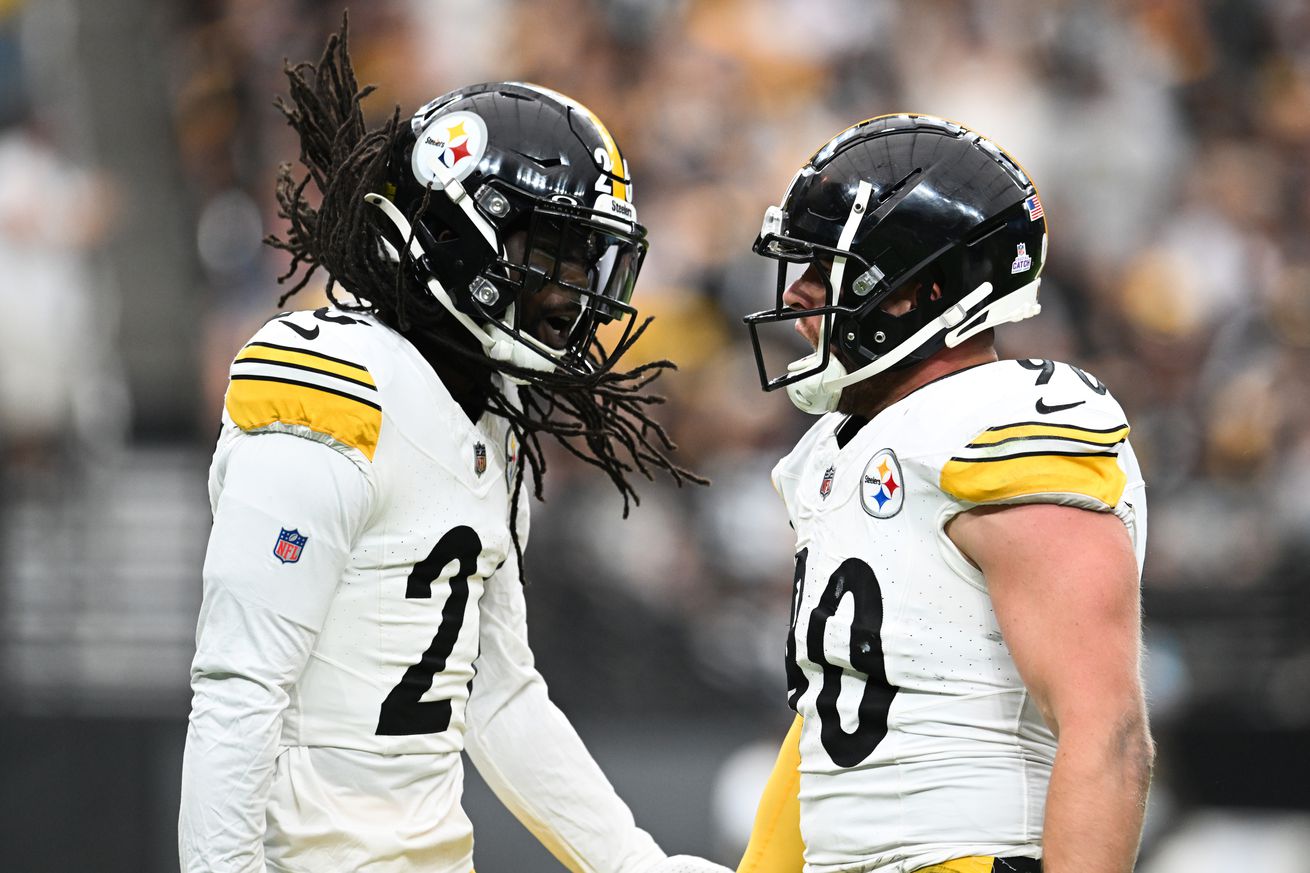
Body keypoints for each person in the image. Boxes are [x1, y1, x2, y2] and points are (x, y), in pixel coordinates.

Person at [179, 21, 726, 873]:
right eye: (555, 257)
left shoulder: (485, 409)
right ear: (468, 234)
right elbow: (237, 692)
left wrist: (636, 864)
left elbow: (497, 694)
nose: (574, 296)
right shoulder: (331, 385)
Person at [736, 115, 1154, 873]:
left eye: (824, 267)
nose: (797, 292)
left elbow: (1109, 728)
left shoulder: (1006, 426)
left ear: (914, 292)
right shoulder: (837, 448)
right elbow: (830, 717)